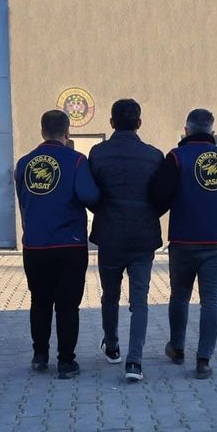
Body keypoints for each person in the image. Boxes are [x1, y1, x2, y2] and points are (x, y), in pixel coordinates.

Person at [150, 108, 217, 379]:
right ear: (213, 132)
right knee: (211, 300)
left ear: (186, 131)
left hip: (183, 241)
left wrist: (146, 219)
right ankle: (204, 359)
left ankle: (177, 348)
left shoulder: (176, 158)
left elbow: (161, 196)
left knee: (179, 296)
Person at [14, 110, 100, 379]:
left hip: (35, 245)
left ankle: (40, 356)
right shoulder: (76, 161)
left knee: (39, 301)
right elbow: (90, 197)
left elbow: (24, 201)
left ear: (42, 131)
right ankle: (66, 362)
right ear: (67, 132)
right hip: (69, 245)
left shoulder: (24, 163)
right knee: (67, 305)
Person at [89, 99, 164, 382]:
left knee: (110, 295)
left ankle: (112, 346)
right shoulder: (154, 156)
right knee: (139, 301)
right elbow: (162, 196)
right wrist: (148, 213)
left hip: (109, 235)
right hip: (143, 237)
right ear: (139, 123)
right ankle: (135, 362)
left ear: (111, 122)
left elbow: (91, 193)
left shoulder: (97, 153)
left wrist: (104, 211)